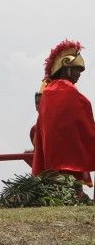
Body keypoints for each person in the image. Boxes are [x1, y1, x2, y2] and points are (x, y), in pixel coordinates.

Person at [32, 40, 95, 186]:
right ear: (67, 68)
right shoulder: (66, 88)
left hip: (50, 160)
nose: (79, 74)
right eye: (77, 69)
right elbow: (83, 113)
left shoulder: (48, 90)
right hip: (67, 159)